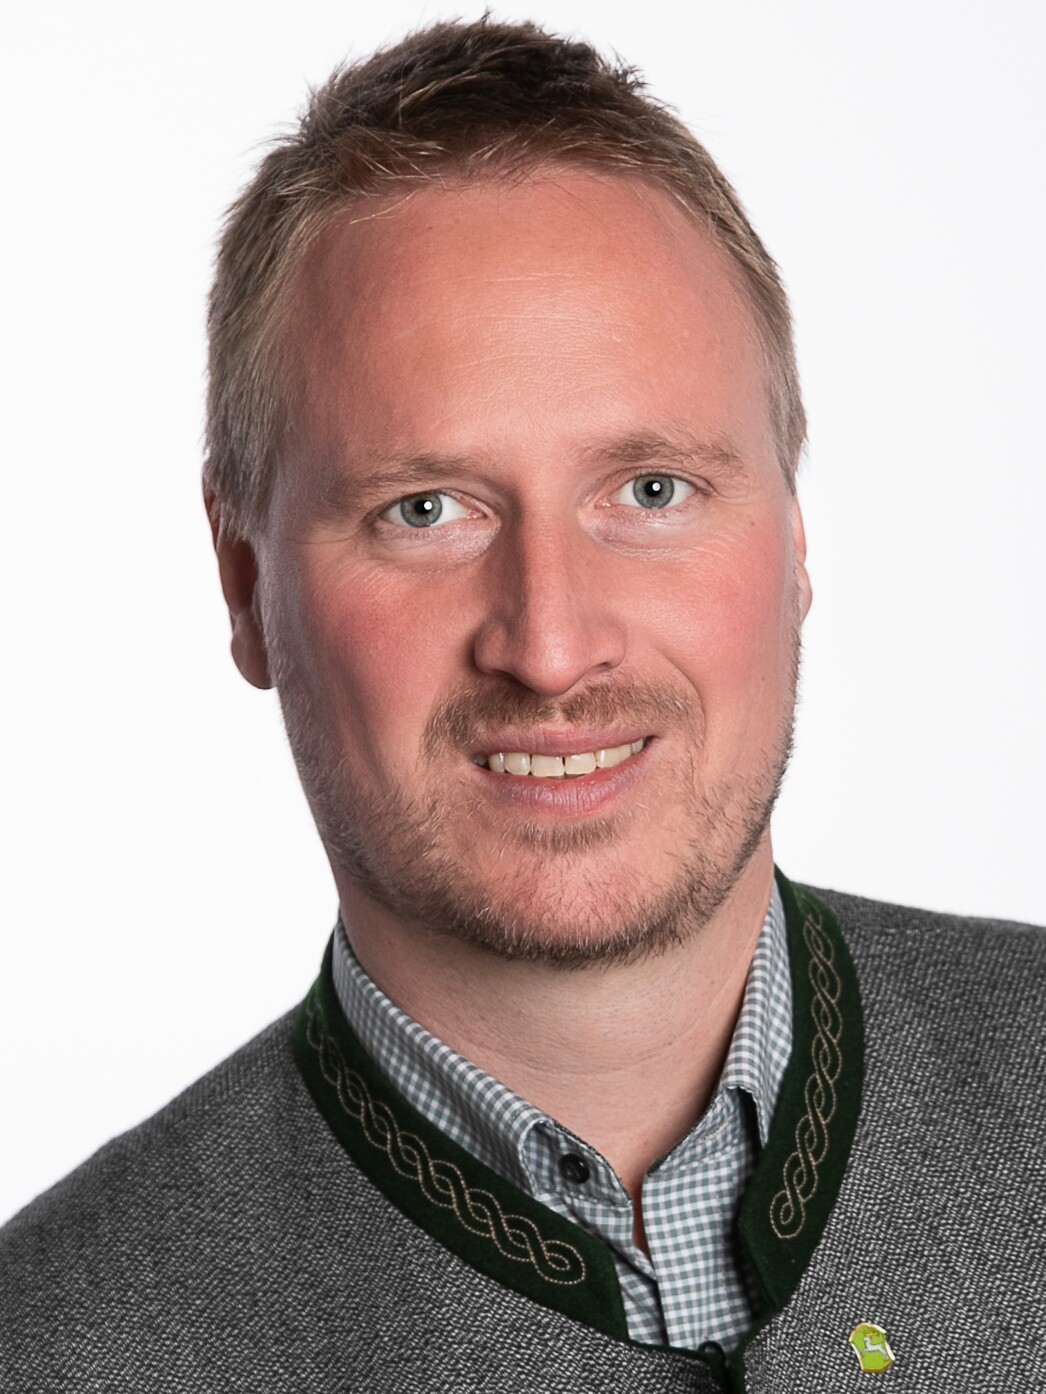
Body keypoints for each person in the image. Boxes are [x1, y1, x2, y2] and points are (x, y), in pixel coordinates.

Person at [2, 17, 1043, 1392]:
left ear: (793, 536)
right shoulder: (55, 1348)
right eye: (425, 509)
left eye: (650, 491)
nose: (549, 645)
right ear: (244, 581)